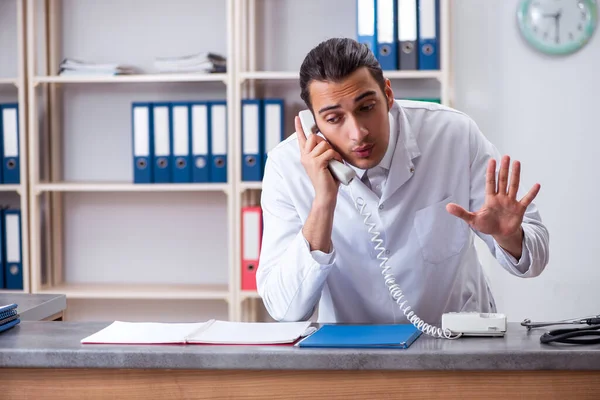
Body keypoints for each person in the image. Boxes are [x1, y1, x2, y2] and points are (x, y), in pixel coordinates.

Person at [256, 38, 549, 328]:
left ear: (387, 94)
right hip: (352, 355)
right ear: (314, 123)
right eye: (334, 118)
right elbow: (284, 309)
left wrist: (509, 237)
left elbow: (534, 262)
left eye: (366, 107)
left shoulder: (453, 134)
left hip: (459, 345)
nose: (357, 133)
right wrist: (323, 202)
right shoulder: (286, 166)